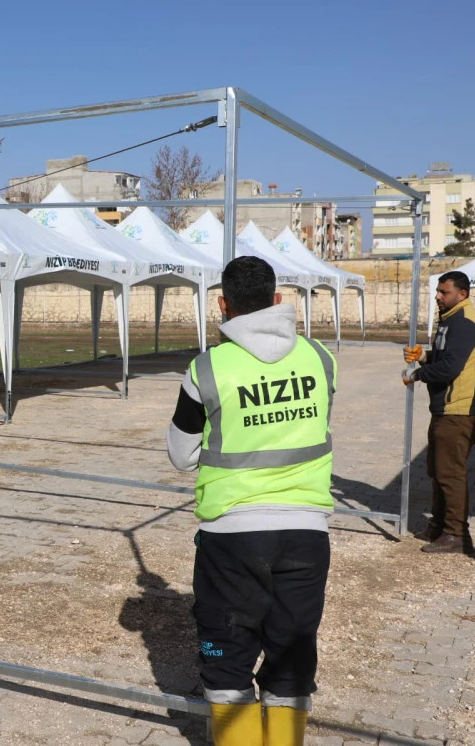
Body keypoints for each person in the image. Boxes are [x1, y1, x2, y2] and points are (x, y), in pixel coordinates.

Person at [166, 256, 336, 746]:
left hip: (232, 535)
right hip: (307, 531)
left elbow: (182, 455)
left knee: (227, 657)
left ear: (223, 304)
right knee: (292, 657)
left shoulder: (207, 368)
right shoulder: (320, 358)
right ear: (278, 301)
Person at [402, 270, 475, 555]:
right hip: (448, 409)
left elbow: (452, 368)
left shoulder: (465, 322)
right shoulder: (452, 318)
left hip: (461, 410)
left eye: (444, 292)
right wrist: (425, 355)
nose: (438, 297)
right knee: (438, 469)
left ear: (462, 294)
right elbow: (448, 355)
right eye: (438, 292)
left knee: (450, 473)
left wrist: (418, 374)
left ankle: (456, 535)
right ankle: (440, 525)